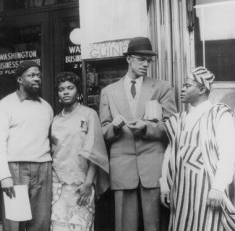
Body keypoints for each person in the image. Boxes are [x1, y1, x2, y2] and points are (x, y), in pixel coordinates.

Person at [99, 37, 177, 231]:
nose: (145, 64)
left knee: (155, 225)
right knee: (125, 226)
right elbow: (103, 132)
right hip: (122, 168)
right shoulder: (109, 91)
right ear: (129, 59)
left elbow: (173, 127)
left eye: (149, 61)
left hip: (153, 168)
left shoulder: (162, 87)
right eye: (141, 59)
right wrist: (114, 127)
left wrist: (147, 128)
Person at [160, 66, 235, 231]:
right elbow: (170, 153)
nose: (182, 88)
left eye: (188, 85)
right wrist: (164, 184)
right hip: (181, 195)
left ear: (202, 89)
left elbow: (229, 154)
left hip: (209, 193)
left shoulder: (220, 114)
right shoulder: (178, 120)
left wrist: (218, 187)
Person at [0, 60, 53, 231]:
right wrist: (4, 176)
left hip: (43, 168)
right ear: (20, 79)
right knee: (15, 222)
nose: (37, 79)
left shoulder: (46, 107)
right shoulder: (5, 105)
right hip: (16, 169)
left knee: (41, 223)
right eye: (31, 75)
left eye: (38, 76)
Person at [50, 72, 109, 231]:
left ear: (78, 91)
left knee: (81, 226)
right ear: (58, 94)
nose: (66, 92)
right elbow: (53, 153)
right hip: (58, 186)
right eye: (62, 89)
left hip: (82, 184)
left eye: (70, 88)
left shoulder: (89, 114)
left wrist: (88, 183)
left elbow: (95, 152)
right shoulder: (55, 120)